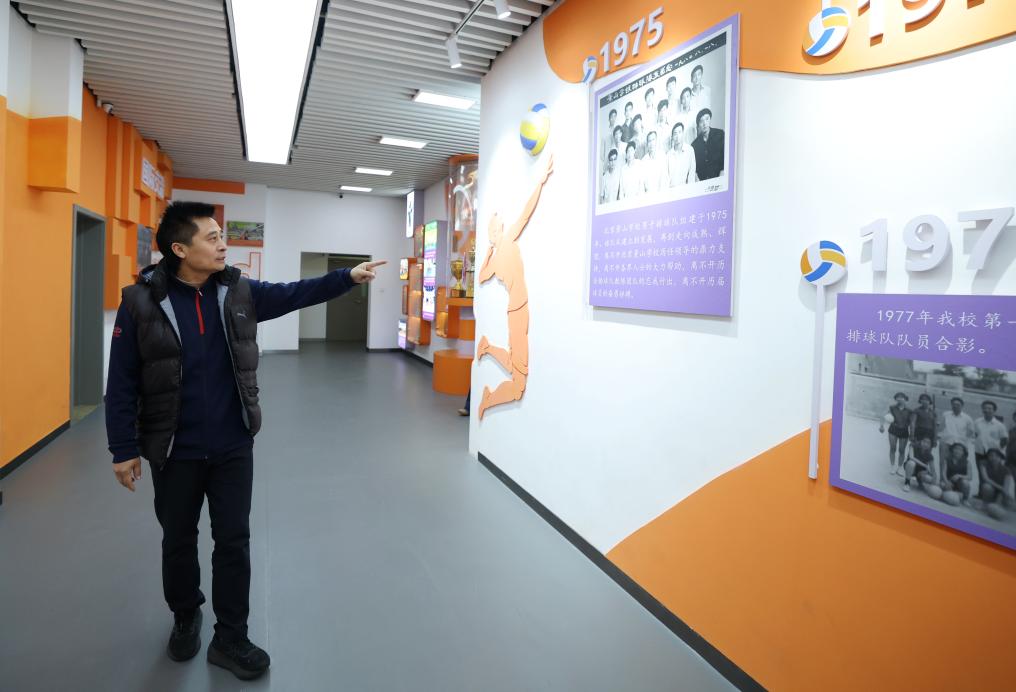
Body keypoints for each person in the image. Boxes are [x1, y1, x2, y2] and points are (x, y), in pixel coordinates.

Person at [105, 201, 384, 680]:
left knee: (233, 541)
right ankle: (185, 614)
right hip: (173, 450)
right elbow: (123, 379)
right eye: (212, 237)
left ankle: (231, 636)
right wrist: (123, 448)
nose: (222, 245)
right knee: (178, 540)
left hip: (233, 444)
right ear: (180, 249)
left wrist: (346, 278)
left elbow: (293, 293)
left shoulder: (237, 291)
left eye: (221, 236)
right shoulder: (140, 302)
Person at [476, 155, 553, 419]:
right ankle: (488, 398)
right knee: (519, 384)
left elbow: (526, 213)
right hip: (517, 311)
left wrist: (540, 183)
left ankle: (487, 348)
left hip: (518, 309)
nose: (502, 228)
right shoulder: (505, 244)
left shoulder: (500, 252)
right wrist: (539, 183)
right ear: (495, 234)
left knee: (516, 368)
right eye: (498, 228)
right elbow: (525, 213)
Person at [938, 396, 974, 474]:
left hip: (959, 444)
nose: (955, 406)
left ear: (962, 406)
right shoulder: (945, 415)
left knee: (956, 463)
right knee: (943, 461)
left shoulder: (967, 418)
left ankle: (953, 479)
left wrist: (963, 439)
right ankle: (942, 479)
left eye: (958, 405)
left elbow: (971, 432)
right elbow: (941, 427)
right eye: (953, 404)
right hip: (946, 442)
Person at [879, 392, 912, 475]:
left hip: (904, 431)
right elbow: (883, 415)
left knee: (902, 450)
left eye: (901, 397)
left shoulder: (909, 410)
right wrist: (881, 426)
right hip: (893, 430)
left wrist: (912, 433)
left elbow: (912, 423)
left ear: (905, 399)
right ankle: (892, 467)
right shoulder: (892, 407)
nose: (899, 399)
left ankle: (900, 468)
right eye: (897, 397)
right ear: (896, 399)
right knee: (893, 448)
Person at [691, 108, 724, 181]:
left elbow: (725, 158)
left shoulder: (720, 134)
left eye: (707, 119)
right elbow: (695, 168)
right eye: (701, 121)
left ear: (710, 119)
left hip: (720, 178)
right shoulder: (694, 145)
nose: (704, 123)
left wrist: (721, 178)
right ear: (698, 125)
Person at [974, 400, 1008, 467]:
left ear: (994, 411)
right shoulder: (977, 422)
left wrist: (997, 450)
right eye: (985, 408)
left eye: (989, 408)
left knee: (991, 471)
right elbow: (975, 434)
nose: (986, 410)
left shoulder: (1000, 425)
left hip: (993, 454)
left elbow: (1004, 440)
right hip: (979, 452)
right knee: (980, 471)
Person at [666, 122, 696, 186]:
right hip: (671, 189)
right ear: (672, 137)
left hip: (685, 188)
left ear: (683, 134)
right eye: (675, 133)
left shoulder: (689, 150)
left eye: (679, 132)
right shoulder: (669, 154)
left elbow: (691, 174)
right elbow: (666, 177)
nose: (677, 136)